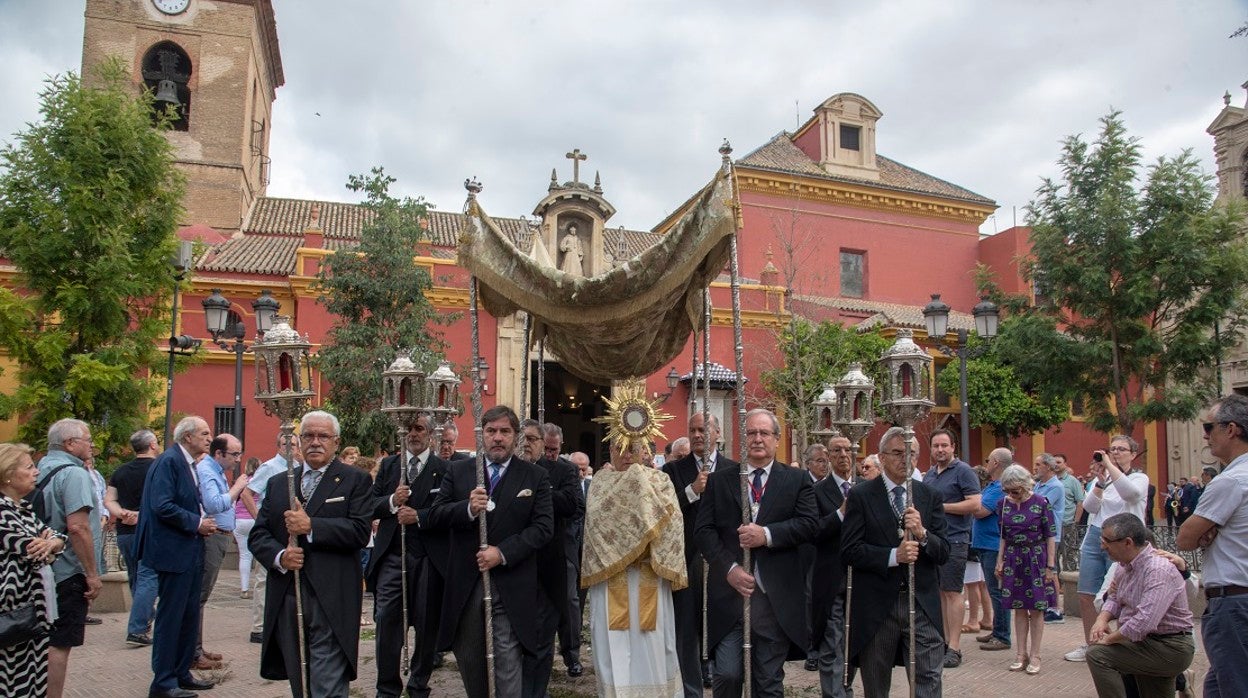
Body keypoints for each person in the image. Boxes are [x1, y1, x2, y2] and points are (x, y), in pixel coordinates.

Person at [424, 404, 554, 698]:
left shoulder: (534, 477)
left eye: (504, 431)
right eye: (491, 431)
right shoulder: (459, 472)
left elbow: (543, 528)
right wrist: (467, 509)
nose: (497, 438)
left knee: (508, 665)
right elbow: (434, 515)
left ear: (516, 436)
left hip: (511, 584)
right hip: (467, 585)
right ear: (482, 435)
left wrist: (503, 552)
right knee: (472, 663)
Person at [694, 408, 819, 698]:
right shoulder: (720, 480)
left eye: (764, 433)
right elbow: (704, 531)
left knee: (768, 682)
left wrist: (767, 535)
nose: (757, 439)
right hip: (729, 599)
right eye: (751, 433)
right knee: (727, 674)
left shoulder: (796, 480)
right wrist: (729, 569)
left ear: (777, 439)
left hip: (775, 601)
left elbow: (809, 524)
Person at [248, 411, 373, 697]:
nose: (315, 442)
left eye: (323, 436)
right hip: (289, 595)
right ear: (299, 441)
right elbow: (259, 534)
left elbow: (359, 531)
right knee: (300, 678)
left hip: (332, 595)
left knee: (327, 680)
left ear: (336, 442)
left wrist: (312, 526)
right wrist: (280, 556)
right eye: (308, 436)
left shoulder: (355, 480)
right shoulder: (280, 482)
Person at [841, 426, 950, 698]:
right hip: (878, 608)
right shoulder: (862, 495)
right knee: (876, 684)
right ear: (882, 456)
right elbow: (849, 551)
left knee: (928, 679)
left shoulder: (929, 496)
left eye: (912, 453)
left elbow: (944, 551)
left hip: (921, 603)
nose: (906, 459)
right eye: (898, 453)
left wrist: (924, 534)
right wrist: (893, 556)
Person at [582, 426, 686, 696]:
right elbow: (596, 525)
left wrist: (640, 480)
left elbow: (673, 525)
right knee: (611, 643)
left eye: (634, 448)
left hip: (648, 572)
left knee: (652, 643)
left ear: (645, 451)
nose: (627, 455)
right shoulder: (600, 483)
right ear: (611, 451)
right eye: (620, 448)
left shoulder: (659, 481)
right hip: (609, 576)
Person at [367, 413, 451, 698]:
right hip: (393, 555)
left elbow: (448, 511)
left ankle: (418, 684)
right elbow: (369, 504)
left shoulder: (444, 468)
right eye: (408, 429)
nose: (413, 434)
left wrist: (420, 516)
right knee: (387, 620)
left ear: (430, 434)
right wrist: (392, 501)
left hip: (428, 558)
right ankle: (387, 687)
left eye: (418, 429)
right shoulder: (391, 465)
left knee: (427, 625)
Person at [134, 416, 217, 697]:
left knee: (188, 615)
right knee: (172, 616)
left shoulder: (188, 463)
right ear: (187, 437)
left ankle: (181, 672)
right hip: (173, 551)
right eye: (204, 433)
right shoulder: (169, 462)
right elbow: (162, 505)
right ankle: (164, 681)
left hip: (189, 549)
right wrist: (197, 523)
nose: (209, 438)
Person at [661, 411, 739, 697]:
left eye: (703, 430)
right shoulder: (672, 472)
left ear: (718, 434)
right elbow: (663, 513)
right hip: (686, 559)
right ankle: (690, 690)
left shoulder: (735, 469)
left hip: (723, 561)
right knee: (687, 630)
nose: (697, 435)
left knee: (723, 626)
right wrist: (692, 491)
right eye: (692, 430)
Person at [1177, 394, 1248, 698]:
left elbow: (1185, 538)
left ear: (1231, 429)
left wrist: (1209, 529)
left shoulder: (1230, 480)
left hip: (1232, 603)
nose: (1205, 436)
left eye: (1209, 427)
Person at [1086, 513, 1195, 698]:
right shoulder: (1123, 564)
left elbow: (1144, 621)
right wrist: (1102, 619)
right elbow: (1114, 598)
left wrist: (1110, 639)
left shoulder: (1158, 569)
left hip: (1169, 646)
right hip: (1146, 642)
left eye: (1107, 541)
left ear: (1128, 542)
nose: (1102, 546)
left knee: (1098, 655)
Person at [35, 418, 103, 698]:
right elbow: (78, 527)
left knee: (42, 642)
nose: (92, 445)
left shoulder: (40, 468)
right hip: (68, 571)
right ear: (70, 443)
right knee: (60, 643)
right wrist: (92, 573)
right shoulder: (74, 474)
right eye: (88, 439)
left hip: (43, 569)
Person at [1066, 435, 1149, 663]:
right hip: (1096, 535)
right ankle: (1091, 645)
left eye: (1122, 449)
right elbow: (1090, 507)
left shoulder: (1139, 477)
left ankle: (1121, 644)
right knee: (1086, 594)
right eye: (1113, 449)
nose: (1116, 453)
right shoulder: (1102, 479)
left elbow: (1129, 494)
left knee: (1121, 595)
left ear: (1133, 454)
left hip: (1125, 539)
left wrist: (1110, 466)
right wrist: (1100, 483)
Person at [0, 443, 67, 698]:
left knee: (33, 679)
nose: (36, 472)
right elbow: (31, 549)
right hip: (11, 617)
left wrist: (51, 543)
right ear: (8, 474)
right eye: (29, 467)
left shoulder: (23, 509)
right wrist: (47, 546)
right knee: (11, 682)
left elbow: (58, 538)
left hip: (34, 617)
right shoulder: (3, 512)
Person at [920, 428, 980, 669]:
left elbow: (976, 503)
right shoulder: (931, 475)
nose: (940, 450)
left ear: (953, 447)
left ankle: (955, 647)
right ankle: (944, 642)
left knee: (953, 592)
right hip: (933, 540)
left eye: (945, 445)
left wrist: (941, 507)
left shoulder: (963, 471)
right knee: (941, 592)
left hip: (955, 538)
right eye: (936, 446)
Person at [994, 464, 1057, 675]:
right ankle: (1021, 654)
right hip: (1013, 558)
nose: (1013, 495)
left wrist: (1050, 566)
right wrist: (999, 561)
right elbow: (1003, 535)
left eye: (1016, 490)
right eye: (1008, 491)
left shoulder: (1041, 503)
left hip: (1035, 557)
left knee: (1036, 609)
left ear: (1026, 484)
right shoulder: (1002, 504)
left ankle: (1036, 654)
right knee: (1019, 608)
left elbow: (1050, 535)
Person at [535, 422, 586, 681]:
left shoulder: (567, 470)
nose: (550, 455)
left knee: (568, 603)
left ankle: (572, 655)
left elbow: (576, 506)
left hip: (562, 544)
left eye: (555, 450)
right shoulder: (529, 467)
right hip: (533, 547)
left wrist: (541, 495)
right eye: (547, 449)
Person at [193, 432, 248, 669]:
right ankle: (193, 653)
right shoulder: (207, 470)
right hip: (211, 538)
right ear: (219, 453)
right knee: (199, 596)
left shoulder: (215, 471)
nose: (238, 459)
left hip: (219, 536)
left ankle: (196, 648)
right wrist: (237, 488)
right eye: (235, 454)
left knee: (201, 597)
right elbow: (213, 504)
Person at [244, 433, 303, 643]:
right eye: (286, 443)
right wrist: (260, 518)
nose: (290, 447)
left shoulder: (299, 468)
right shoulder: (269, 467)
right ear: (278, 446)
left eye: (294, 444)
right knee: (263, 577)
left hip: (292, 530)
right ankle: (259, 627)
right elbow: (247, 493)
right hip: (272, 531)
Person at [105, 429, 160, 647]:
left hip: (125, 532)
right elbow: (161, 501)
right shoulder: (158, 469)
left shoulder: (121, 471)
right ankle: (138, 628)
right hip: (148, 531)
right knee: (148, 578)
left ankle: (143, 620)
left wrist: (122, 514)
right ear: (153, 445)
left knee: (135, 576)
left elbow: (109, 499)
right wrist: (140, 516)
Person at [810, 434, 856, 696]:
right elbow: (813, 531)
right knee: (832, 643)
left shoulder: (866, 488)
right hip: (830, 579)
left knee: (852, 646)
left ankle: (845, 689)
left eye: (848, 449)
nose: (843, 455)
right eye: (837, 450)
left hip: (861, 579)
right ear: (828, 456)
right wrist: (841, 512)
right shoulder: (816, 492)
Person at [972, 448, 1013, 652]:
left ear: (996, 462)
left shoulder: (1000, 488)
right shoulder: (993, 486)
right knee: (993, 589)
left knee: (998, 591)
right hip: (985, 544)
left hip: (992, 545)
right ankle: (998, 630)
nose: (986, 463)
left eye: (988, 460)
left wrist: (969, 504)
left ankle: (1003, 635)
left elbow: (980, 511)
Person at [1032, 453, 1067, 623]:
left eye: (1038, 464)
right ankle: (1046, 604)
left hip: (1052, 534)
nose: (1035, 467)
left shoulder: (1056, 486)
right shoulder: (1039, 484)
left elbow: (1039, 505)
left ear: (1047, 466)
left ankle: (1055, 608)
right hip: (1039, 534)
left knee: (1050, 570)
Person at [233, 456, 261, 600]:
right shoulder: (261, 480)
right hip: (254, 519)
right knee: (259, 554)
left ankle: (244, 589)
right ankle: (258, 585)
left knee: (244, 555)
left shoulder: (242, 481)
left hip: (239, 520)